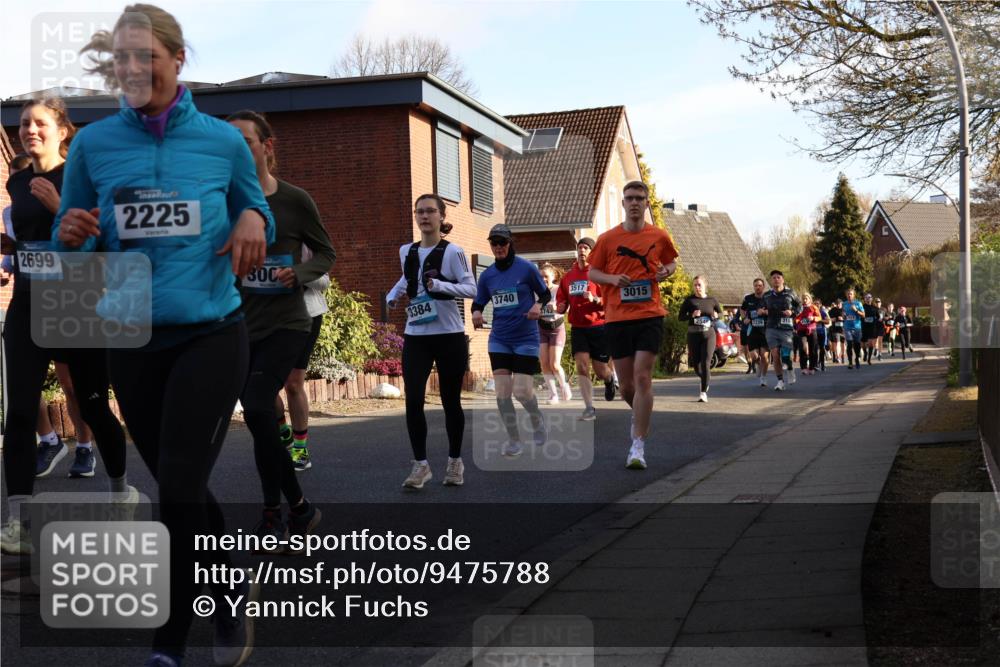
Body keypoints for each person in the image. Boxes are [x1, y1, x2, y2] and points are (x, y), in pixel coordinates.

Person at [55, 6, 275, 665]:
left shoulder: (220, 141)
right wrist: (72, 238)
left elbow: (253, 204)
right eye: (120, 57)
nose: (131, 68)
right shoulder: (94, 146)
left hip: (211, 332)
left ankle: (169, 643)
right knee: (181, 483)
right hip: (131, 337)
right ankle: (230, 581)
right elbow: (73, 239)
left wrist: (252, 223)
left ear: (177, 60)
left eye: (144, 55)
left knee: (176, 486)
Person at [1, 97, 132, 557]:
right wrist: (8, 255)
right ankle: (20, 520)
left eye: (39, 123)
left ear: (62, 130)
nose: (29, 130)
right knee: (18, 413)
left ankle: (121, 492)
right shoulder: (17, 182)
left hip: (78, 304)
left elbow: (104, 246)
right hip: (28, 305)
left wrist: (61, 207)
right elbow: (26, 243)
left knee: (94, 408)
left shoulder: (86, 180)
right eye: (23, 124)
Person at [227, 110, 333, 546]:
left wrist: (300, 275)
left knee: (256, 406)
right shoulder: (223, 200)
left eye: (245, 142)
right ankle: (293, 508)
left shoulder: (295, 200)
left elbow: (326, 254)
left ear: (267, 147)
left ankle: (278, 510)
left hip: (288, 323)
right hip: (239, 326)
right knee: (262, 418)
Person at [2, 152, 99, 478]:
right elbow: (22, 247)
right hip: (30, 299)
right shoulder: (10, 210)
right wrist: (6, 262)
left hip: (69, 298)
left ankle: (85, 448)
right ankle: (49, 439)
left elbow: (94, 241)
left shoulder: (73, 189)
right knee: (23, 392)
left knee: (71, 383)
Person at [387, 194, 476, 488]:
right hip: (417, 336)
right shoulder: (407, 251)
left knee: (451, 401)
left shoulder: (453, 252)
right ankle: (421, 466)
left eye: (430, 212)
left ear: (441, 216)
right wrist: (394, 294)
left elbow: (470, 288)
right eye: (420, 212)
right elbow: (407, 278)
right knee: (413, 400)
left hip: (448, 335)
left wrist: (440, 285)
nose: (424, 217)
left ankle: (454, 462)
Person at [587, 181, 678, 470]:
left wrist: (666, 271)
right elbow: (592, 271)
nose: (635, 202)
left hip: (650, 315)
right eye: (630, 198)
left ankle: (637, 446)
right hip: (617, 318)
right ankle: (638, 416)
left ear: (647, 203)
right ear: (623, 204)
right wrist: (613, 280)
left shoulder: (659, 235)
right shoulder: (607, 239)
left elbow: (672, 263)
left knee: (642, 378)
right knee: (626, 386)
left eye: (640, 198)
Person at [472, 224, 549, 458]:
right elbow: (479, 301)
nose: (498, 247)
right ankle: (514, 439)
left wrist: (537, 305)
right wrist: (476, 312)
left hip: (526, 338)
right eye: (493, 243)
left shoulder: (526, 268)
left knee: (522, 391)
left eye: (502, 242)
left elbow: (545, 294)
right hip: (500, 338)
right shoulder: (487, 276)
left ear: (510, 243)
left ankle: (536, 419)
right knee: (503, 394)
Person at [276, 243, 330, 471]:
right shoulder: (256, 230)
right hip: (265, 315)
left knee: (293, 384)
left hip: (305, 315)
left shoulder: (305, 239)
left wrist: (297, 274)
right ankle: (283, 433)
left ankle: (300, 447)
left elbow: (324, 282)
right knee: (261, 384)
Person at [555, 237, 617, 421]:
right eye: (580, 247)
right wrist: (560, 305)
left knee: (600, 370)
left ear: (592, 252)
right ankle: (589, 407)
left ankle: (609, 379)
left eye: (586, 248)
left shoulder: (599, 274)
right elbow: (562, 298)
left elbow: (612, 301)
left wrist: (596, 299)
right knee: (582, 366)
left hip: (598, 327)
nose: (582, 251)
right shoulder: (568, 277)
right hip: (578, 328)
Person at [678, 275, 721, 402]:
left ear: (704, 286)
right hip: (693, 335)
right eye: (695, 285)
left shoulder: (712, 300)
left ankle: (703, 392)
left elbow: (720, 315)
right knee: (697, 366)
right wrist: (691, 315)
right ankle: (705, 379)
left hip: (709, 335)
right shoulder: (689, 300)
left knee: (706, 362)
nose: (697, 287)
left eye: (699, 285)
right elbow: (680, 317)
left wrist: (715, 315)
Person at [538, 263, 572, 404]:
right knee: (544, 364)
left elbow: (568, 308)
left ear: (553, 276)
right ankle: (553, 395)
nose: (543, 279)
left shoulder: (559, 290)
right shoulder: (536, 292)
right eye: (541, 277)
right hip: (541, 329)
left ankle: (564, 385)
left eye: (546, 276)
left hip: (557, 329)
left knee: (555, 364)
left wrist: (557, 308)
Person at [761, 269, 801, 391]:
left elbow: (799, 306)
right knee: (775, 354)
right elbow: (761, 308)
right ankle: (780, 381)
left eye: (778, 277)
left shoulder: (791, 293)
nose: (776, 279)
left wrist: (792, 312)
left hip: (786, 328)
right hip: (771, 328)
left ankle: (789, 368)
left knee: (785, 355)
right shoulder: (767, 295)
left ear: (783, 280)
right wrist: (761, 311)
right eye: (774, 278)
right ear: (771, 281)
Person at [741, 278, 770, 387]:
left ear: (763, 287)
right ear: (753, 287)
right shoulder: (748, 298)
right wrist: (745, 318)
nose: (758, 287)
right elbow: (742, 309)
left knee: (765, 356)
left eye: (760, 285)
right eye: (756, 285)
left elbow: (773, 311)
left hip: (765, 331)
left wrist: (764, 312)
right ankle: (758, 365)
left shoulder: (768, 299)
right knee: (754, 356)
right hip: (752, 330)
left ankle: (763, 377)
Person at [794, 293, 821, 375]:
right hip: (801, 330)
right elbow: (795, 318)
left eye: (806, 298)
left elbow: (819, 317)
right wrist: (797, 319)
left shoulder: (814, 307)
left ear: (810, 299)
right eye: (803, 299)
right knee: (802, 348)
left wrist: (813, 318)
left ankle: (812, 367)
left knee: (813, 349)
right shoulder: (799, 308)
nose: (805, 300)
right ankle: (803, 367)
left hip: (812, 329)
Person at [843, 289, 864, 369]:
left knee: (857, 345)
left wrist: (856, 310)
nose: (849, 295)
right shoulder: (844, 304)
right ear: (846, 295)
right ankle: (850, 362)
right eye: (848, 294)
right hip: (847, 327)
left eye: (851, 294)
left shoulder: (858, 303)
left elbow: (863, 315)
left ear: (854, 295)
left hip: (857, 327)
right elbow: (843, 315)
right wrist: (844, 315)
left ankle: (857, 359)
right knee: (849, 344)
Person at [861, 293, 881, 364]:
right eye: (866, 297)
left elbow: (878, 317)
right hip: (863, 327)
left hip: (872, 327)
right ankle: (865, 352)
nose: (868, 299)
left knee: (870, 344)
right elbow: (859, 315)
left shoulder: (875, 308)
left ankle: (869, 359)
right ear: (864, 299)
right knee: (862, 344)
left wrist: (877, 319)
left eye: (869, 297)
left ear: (872, 299)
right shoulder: (862, 307)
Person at [815, 297, 831, 372]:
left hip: (821, 331)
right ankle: (815, 364)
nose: (816, 305)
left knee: (821, 348)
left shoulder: (822, 312)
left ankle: (822, 364)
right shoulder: (811, 312)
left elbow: (828, 321)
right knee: (814, 348)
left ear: (820, 305)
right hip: (813, 332)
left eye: (818, 304)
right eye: (815, 304)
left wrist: (819, 320)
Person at [828, 298, 846, 364]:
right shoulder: (833, 310)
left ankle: (843, 356)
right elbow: (829, 318)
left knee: (843, 344)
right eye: (837, 304)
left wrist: (843, 318)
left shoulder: (845, 310)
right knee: (837, 343)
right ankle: (837, 357)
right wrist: (833, 319)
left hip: (843, 329)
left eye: (839, 303)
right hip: (835, 330)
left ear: (842, 303)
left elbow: (847, 318)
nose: (838, 305)